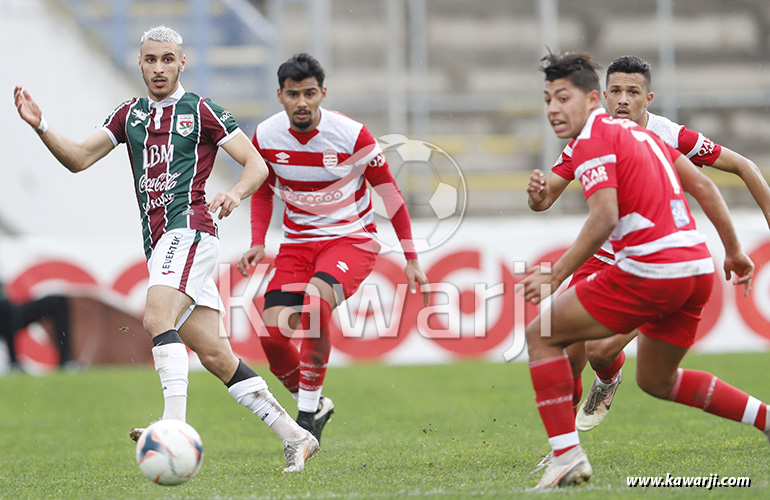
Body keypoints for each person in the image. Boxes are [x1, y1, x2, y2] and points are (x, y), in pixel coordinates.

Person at [14, 25, 318, 472]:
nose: (159, 68)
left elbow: (257, 164)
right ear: (140, 63)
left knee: (156, 316)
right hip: (160, 244)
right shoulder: (129, 116)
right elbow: (79, 158)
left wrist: (234, 193)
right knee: (216, 356)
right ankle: (296, 435)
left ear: (181, 63)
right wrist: (41, 125)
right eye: (151, 59)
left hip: (191, 229)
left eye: (167, 59)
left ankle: (171, 428)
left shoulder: (202, 111)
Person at [523, 51, 765, 488]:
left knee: (542, 336)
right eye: (547, 100)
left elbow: (604, 217)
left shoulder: (597, 139)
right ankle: (766, 418)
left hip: (649, 266)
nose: (553, 109)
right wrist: (733, 252)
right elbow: (705, 188)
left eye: (563, 98)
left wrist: (554, 275)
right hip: (694, 268)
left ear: (589, 100)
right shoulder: (647, 138)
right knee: (657, 380)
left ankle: (565, 455)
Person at [237, 53, 430, 445]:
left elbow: (390, 195)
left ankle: (305, 417)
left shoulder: (352, 135)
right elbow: (261, 191)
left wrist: (411, 257)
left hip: (351, 240)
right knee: (272, 337)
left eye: (310, 93)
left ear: (323, 93)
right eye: (294, 94)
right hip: (297, 245)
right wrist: (258, 241)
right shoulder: (266, 136)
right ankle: (316, 402)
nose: (302, 102)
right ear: (280, 95)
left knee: (313, 304)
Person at [0, 285, 72, 371]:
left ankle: (66, 360)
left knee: (56, 302)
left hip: (11, 311)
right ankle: (13, 362)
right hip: (5, 312)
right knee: (4, 308)